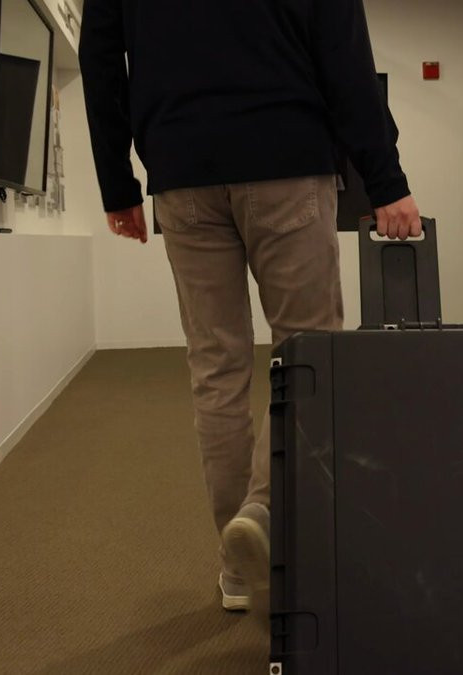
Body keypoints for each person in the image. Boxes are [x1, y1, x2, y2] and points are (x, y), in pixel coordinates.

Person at [79, 1, 422, 612]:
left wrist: (116, 184)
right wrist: (386, 180)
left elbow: (100, 58)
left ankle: (238, 568)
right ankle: (265, 512)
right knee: (308, 355)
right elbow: (344, 56)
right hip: (288, 159)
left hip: (182, 170)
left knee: (216, 367)